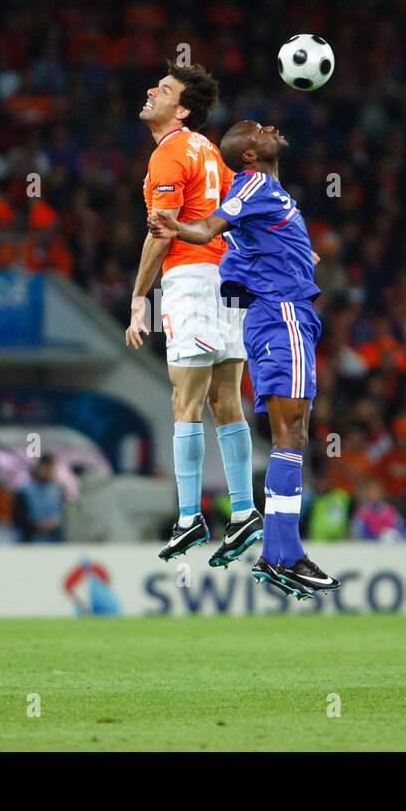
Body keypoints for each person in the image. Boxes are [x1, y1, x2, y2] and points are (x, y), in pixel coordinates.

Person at [149, 119, 340, 599]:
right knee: (290, 432)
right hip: (282, 315)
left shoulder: (266, 191)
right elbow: (212, 228)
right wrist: (179, 227)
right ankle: (284, 554)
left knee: (291, 432)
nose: (271, 126)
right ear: (250, 155)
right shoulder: (251, 185)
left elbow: (230, 238)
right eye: (258, 129)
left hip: (281, 314)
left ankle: (279, 554)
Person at [125, 62, 262, 568]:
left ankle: (188, 517)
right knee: (227, 402)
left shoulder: (169, 155)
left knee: (186, 402)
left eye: (161, 89)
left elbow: (161, 232)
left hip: (193, 283)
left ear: (181, 108)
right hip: (229, 282)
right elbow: (239, 204)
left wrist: (139, 297)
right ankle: (244, 511)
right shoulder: (207, 150)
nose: (150, 91)